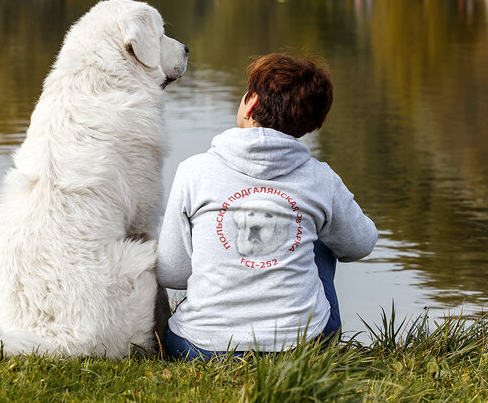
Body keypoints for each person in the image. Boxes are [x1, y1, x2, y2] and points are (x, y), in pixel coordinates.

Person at [156, 53, 378, 360]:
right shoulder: (320, 178)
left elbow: (171, 273)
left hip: (199, 348)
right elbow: (360, 244)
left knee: (319, 228)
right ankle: (290, 320)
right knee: (324, 234)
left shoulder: (194, 171)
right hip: (301, 349)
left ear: (251, 102)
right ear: (310, 124)